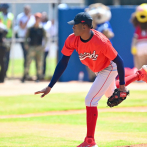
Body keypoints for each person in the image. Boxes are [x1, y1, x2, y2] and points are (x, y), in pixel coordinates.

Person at [34, 12, 147, 147]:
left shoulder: (101, 41)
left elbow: (119, 62)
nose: (72, 27)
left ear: (84, 27)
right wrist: (50, 86)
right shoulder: (72, 39)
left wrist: (122, 86)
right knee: (110, 94)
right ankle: (141, 74)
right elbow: (63, 62)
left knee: (90, 100)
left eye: (75, 25)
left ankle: (90, 141)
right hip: (99, 70)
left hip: (109, 68)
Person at [22, 13, 47, 83]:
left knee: (39, 63)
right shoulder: (31, 28)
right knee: (28, 62)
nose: (37, 20)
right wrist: (26, 44)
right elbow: (26, 37)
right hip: (32, 47)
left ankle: (38, 76)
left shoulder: (41, 28)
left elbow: (46, 37)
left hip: (39, 47)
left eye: (38, 18)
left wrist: (44, 46)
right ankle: (25, 75)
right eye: (36, 18)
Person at [16, 5, 35, 73]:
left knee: (30, 56)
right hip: (23, 38)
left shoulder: (32, 17)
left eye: (28, 9)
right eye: (26, 9)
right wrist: (27, 19)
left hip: (31, 38)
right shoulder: (20, 16)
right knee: (25, 55)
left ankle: (28, 72)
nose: (27, 11)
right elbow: (22, 27)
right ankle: (25, 73)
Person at [0, 3, 14, 77]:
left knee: (7, 56)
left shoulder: (11, 16)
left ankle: (5, 73)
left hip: (8, 38)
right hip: (0, 38)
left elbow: (12, 26)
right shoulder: (0, 15)